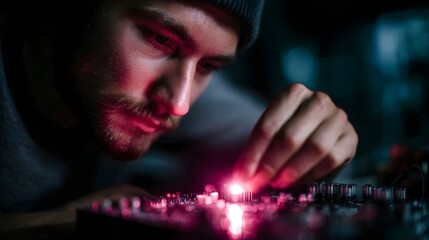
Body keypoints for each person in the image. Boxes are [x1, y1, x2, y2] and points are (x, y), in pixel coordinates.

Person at [0, 0, 358, 236]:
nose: (180, 103)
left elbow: (297, 145)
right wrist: (60, 224)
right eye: (159, 40)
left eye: (208, 66)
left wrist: (323, 140)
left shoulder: (180, 97)